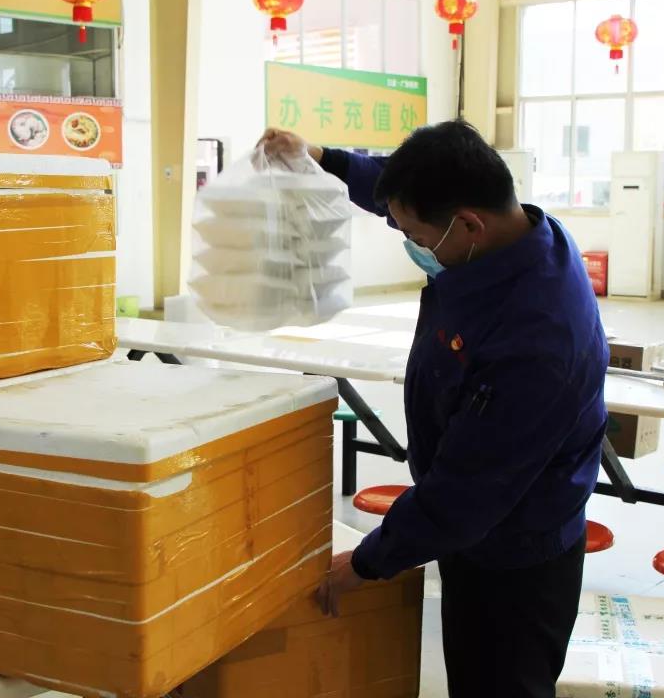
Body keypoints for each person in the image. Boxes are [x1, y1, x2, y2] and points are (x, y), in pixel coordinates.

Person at [260, 121, 608, 698]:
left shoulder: (536, 339)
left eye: (415, 235)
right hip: (481, 532)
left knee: (501, 685)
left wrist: (367, 562)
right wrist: (321, 156)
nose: (411, 244)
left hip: (514, 555)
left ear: (468, 224)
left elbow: (466, 492)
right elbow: (396, 188)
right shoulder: (510, 235)